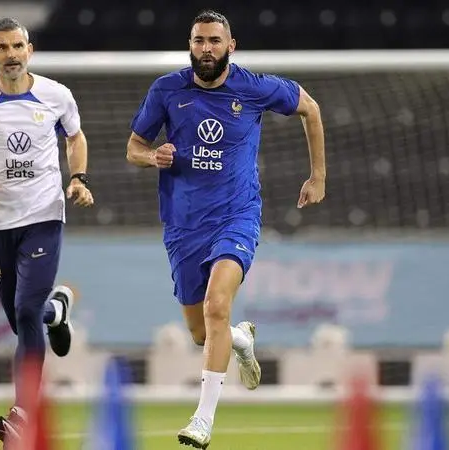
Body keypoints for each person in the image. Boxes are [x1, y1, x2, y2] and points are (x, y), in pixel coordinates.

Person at [126, 9, 326, 448]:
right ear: (190, 45)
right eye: (199, 41)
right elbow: (134, 147)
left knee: (219, 305)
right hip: (183, 224)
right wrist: (151, 156)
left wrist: (318, 176)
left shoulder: (254, 88)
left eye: (215, 41)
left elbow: (310, 108)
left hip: (236, 216)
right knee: (203, 331)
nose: (206, 49)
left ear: (230, 46)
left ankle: (203, 419)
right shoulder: (166, 90)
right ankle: (239, 339)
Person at [0, 17, 94, 444]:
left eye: (18, 46)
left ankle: (23, 412)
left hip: (44, 216)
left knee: (27, 312)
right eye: (2, 48)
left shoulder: (56, 95)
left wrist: (79, 178)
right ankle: (59, 310)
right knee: (22, 319)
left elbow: (75, 137)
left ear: (29, 50)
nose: (11, 54)